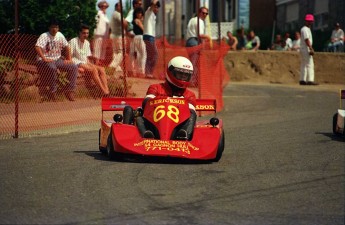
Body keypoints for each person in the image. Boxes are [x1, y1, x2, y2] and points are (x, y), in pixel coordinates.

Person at [124, 56, 197, 140]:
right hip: (154, 125)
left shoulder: (190, 95)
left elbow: (190, 112)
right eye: (180, 74)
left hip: (177, 127)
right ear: (170, 72)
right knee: (139, 118)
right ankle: (146, 135)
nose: (182, 78)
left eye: (185, 75)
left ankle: (184, 135)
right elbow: (146, 103)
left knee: (192, 114)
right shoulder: (156, 87)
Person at [35, 18, 78, 101]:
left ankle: (70, 91)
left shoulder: (60, 35)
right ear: (49, 28)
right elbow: (37, 47)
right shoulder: (44, 36)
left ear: (58, 28)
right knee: (52, 68)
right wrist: (44, 58)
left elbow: (66, 47)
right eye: (52, 27)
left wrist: (69, 58)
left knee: (74, 67)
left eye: (56, 27)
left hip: (57, 59)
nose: (54, 29)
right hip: (44, 60)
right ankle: (53, 92)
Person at [69, 24, 109, 96]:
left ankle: (107, 91)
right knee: (94, 69)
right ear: (79, 33)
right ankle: (103, 91)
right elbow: (69, 56)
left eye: (87, 33)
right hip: (77, 62)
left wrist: (91, 63)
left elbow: (87, 57)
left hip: (85, 62)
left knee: (102, 69)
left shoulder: (87, 43)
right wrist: (77, 67)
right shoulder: (73, 41)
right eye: (84, 33)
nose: (86, 35)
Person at [185, 6, 211, 85]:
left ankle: (191, 80)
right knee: (195, 63)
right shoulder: (200, 21)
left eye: (206, 13)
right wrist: (208, 37)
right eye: (203, 13)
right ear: (199, 13)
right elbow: (200, 35)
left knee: (192, 62)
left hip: (188, 42)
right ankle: (192, 81)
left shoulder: (192, 20)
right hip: (194, 41)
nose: (205, 15)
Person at [125, 0, 143, 75]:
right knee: (136, 53)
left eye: (141, 4)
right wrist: (127, 32)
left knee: (136, 53)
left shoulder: (136, 12)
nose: (140, 5)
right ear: (135, 4)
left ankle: (132, 70)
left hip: (136, 35)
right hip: (133, 34)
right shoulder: (132, 12)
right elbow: (125, 21)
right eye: (139, 4)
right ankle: (132, 70)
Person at [143, 0, 160, 78]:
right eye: (155, 7)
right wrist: (155, 1)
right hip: (148, 36)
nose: (156, 9)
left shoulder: (153, 15)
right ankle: (148, 73)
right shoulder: (148, 12)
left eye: (157, 7)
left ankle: (148, 72)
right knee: (154, 55)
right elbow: (152, 5)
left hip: (151, 37)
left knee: (151, 55)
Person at [109, 3, 128, 73]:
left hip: (114, 35)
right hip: (119, 36)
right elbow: (124, 23)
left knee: (116, 52)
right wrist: (127, 23)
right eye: (121, 6)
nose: (122, 8)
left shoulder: (114, 14)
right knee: (122, 52)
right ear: (117, 7)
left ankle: (117, 68)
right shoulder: (117, 14)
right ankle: (112, 66)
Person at [300, 14, 317, 85]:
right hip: (306, 48)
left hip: (303, 48)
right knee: (310, 64)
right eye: (308, 21)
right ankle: (310, 80)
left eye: (310, 21)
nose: (310, 22)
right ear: (306, 21)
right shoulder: (305, 29)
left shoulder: (305, 29)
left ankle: (302, 80)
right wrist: (310, 48)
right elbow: (306, 39)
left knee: (304, 64)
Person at [93, 1, 110, 65]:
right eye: (102, 6)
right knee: (97, 50)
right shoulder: (98, 13)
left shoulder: (105, 15)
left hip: (105, 35)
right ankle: (96, 64)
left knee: (103, 50)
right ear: (99, 6)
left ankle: (100, 64)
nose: (104, 7)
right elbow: (95, 23)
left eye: (105, 6)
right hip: (98, 34)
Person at [132, 6, 146, 77]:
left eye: (140, 13)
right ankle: (142, 70)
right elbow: (143, 29)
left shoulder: (136, 20)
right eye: (138, 13)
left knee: (139, 55)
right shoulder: (137, 20)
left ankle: (139, 70)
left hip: (136, 37)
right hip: (140, 37)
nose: (139, 14)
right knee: (143, 54)